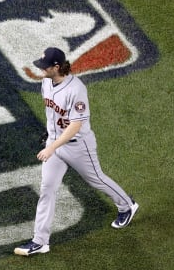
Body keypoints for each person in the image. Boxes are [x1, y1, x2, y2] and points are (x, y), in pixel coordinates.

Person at [14, 47, 139, 256]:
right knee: (47, 189)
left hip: (78, 146)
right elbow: (52, 112)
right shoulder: (46, 82)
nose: (41, 69)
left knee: (96, 179)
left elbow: (76, 125)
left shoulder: (76, 89)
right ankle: (40, 241)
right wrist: (50, 135)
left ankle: (127, 205)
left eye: (45, 66)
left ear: (57, 67)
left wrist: (52, 147)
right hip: (55, 144)